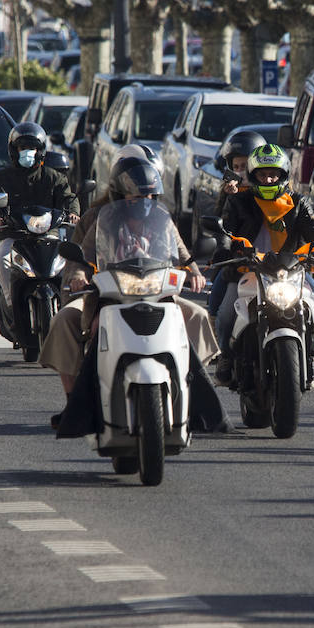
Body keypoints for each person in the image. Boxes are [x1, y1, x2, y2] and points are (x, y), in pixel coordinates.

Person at [50, 148, 227, 436]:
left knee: (195, 315)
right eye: (135, 194)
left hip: (155, 291)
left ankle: (188, 386)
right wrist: (81, 277)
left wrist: (193, 270)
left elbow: (182, 252)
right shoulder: (100, 218)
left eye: (147, 195)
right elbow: (80, 257)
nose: (142, 201)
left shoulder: (160, 217)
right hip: (106, 294)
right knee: (67, 322)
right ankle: (77, 402)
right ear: (120, 191)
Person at [211, 143, 314, 387]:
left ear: (283, 175)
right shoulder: (239, 201)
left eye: (273, 174)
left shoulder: (297, 202)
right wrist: (224, 248)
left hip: (290, 269)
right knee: (224, 314)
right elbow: (226, 229)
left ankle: (311, 358)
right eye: (262, 175)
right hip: (248, 269)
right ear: (253, 176)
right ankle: (226, 357)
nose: (268, 179)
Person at [0, 121, 80, 298]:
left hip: (49, 234)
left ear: (41, 150)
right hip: (13, 235)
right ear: (14, 150)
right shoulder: (0, 179)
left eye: (32, 148)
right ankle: (10, 301)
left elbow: (68, 197)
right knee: (1, 258)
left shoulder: (54, 177)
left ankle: (65, 300)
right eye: (22, 148)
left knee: (68, 260)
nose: (28, 152)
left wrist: (73, 213)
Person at [205, 129, 267, 321]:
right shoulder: (231, 197)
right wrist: (229, 197)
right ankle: (219, 345)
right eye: (236, 166)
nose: (241, 171)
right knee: (217, 304)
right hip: (241, 262)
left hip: (279, 263)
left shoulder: (279, 191)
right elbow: (221, 226)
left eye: (246, 165)